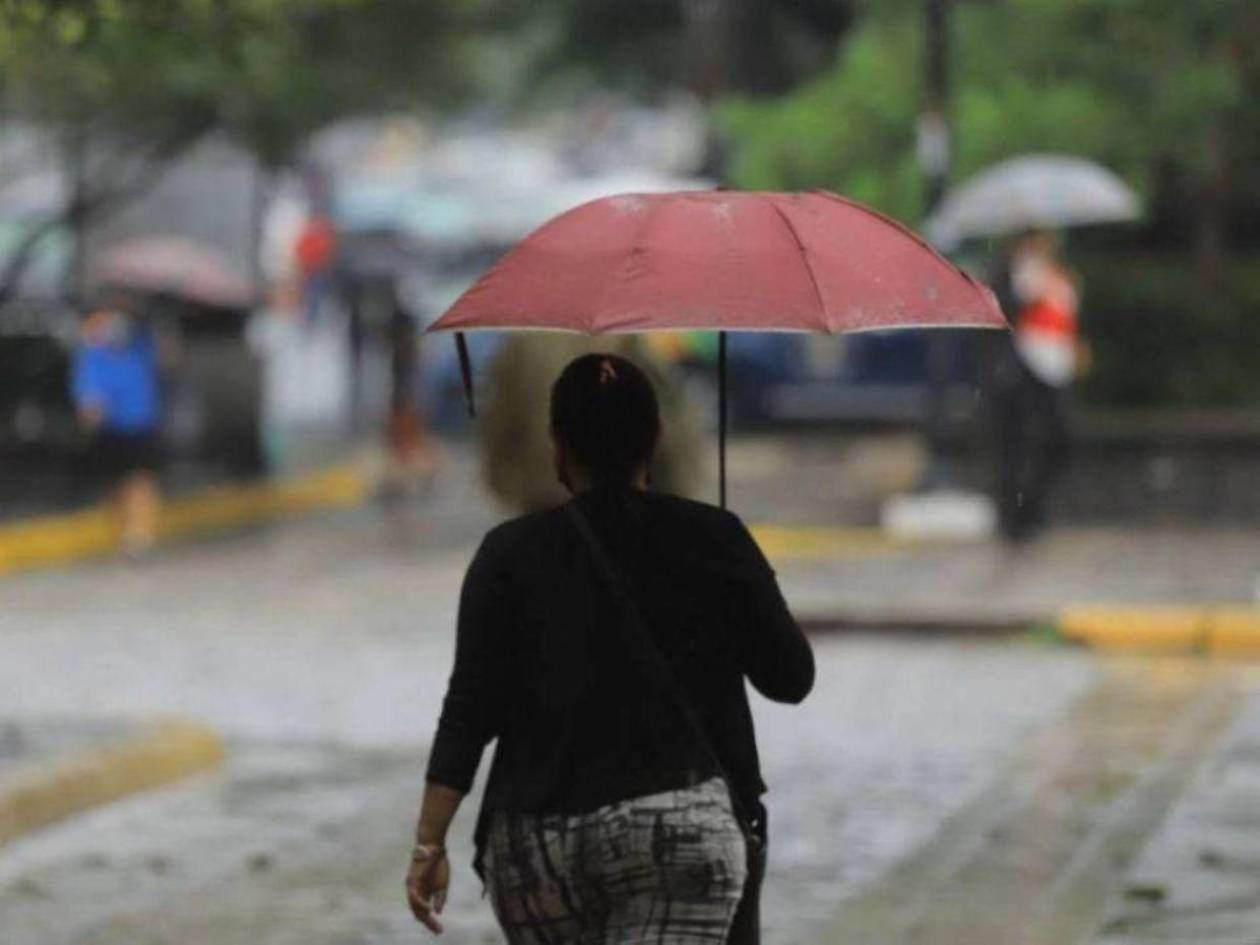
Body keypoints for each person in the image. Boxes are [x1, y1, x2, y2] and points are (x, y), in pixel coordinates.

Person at [405, 353, 815, 943]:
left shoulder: (508, 554)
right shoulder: (713, 536)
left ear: (557, 445)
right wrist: (741, 580)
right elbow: (790, 678)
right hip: (675, 835)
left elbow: (468, 714)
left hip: (536, 855)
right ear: (656, 436)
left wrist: (429, 844)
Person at [990, 231, 1083, 542]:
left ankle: (1032, 507)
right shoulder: (1007, 271)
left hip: (1056, 366)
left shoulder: (1059, 274)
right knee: (1016, 444)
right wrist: (1026, 296)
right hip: (1020, 370)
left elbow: (1064, 317)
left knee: (1059, 438)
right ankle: (1013, 518)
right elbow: (999, 311)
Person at [71, 300, 163, 556]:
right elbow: (89, 402)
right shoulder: (93, 356)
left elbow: (166, 358)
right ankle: (123, 534)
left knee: (141, 480)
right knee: (116, 484)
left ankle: (140, 536)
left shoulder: (140, 346)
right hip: (111, 430)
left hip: (142, 427)